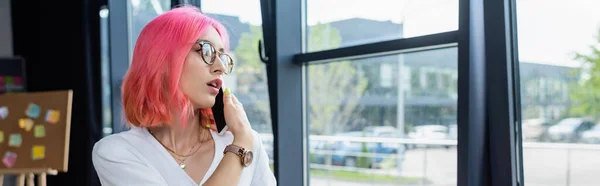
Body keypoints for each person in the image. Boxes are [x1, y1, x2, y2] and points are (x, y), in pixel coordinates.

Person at [92, 5, 276, 186]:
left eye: (222, 56)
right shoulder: (118, 152)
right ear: (161, 60)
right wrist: (240, 145)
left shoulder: (249, 142)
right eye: (206, 51)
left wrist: (243, 139)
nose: (220, 67)